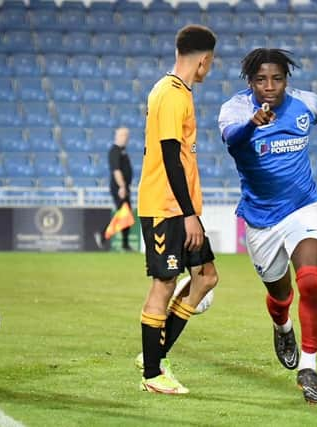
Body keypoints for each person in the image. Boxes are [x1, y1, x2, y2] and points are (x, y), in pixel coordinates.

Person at [217, 48, 317, 405]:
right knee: (280, 296)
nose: (269, 86)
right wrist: (252, 124)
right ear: (250, 82)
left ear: (286, 80)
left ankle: (309, 368)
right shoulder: (235, 110)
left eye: (276, 79)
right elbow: (232, 141)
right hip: (261, 220)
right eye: (261, 80)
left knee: (310, 279)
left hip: (303, 208)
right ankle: (282, 327)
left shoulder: (305, 103)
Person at [136, 24, 219, 395]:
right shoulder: (170, 94)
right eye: (210, 62)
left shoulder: (180, 93)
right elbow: (170, 156)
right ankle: (153, 375)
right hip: (166, 208)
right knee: (164, 284)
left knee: (206, 277)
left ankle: (154, 354)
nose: (209, 69)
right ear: (203, 60)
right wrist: (189, 214)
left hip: (180, 208)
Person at [108, 126, 133, 251]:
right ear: (117, 136)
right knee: (123, 214)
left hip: (124, 188)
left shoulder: (123, 151)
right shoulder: (115, 151)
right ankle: (103, 234)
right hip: (119, 188)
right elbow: (116, 170)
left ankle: (125, 244)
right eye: (124, 135)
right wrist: (122, 186)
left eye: (127, 136)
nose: (126, 138)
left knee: (125, 215)